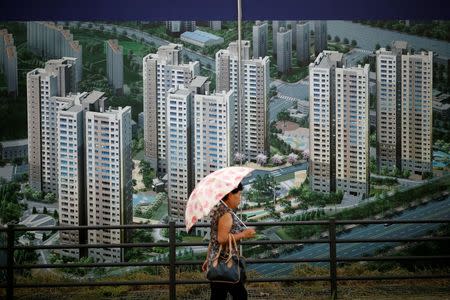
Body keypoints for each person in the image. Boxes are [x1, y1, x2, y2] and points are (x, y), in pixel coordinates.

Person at [202, 182, 256, 300]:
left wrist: (208, 258)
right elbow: (221, 238)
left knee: (218, 295)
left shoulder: (220, 210)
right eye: (239, 195)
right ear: (230, 195)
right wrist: (244, 234)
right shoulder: (226, 214)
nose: (240, 198)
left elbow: (213, 238)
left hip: (216, 261)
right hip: (225, 262)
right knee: (240, 295)